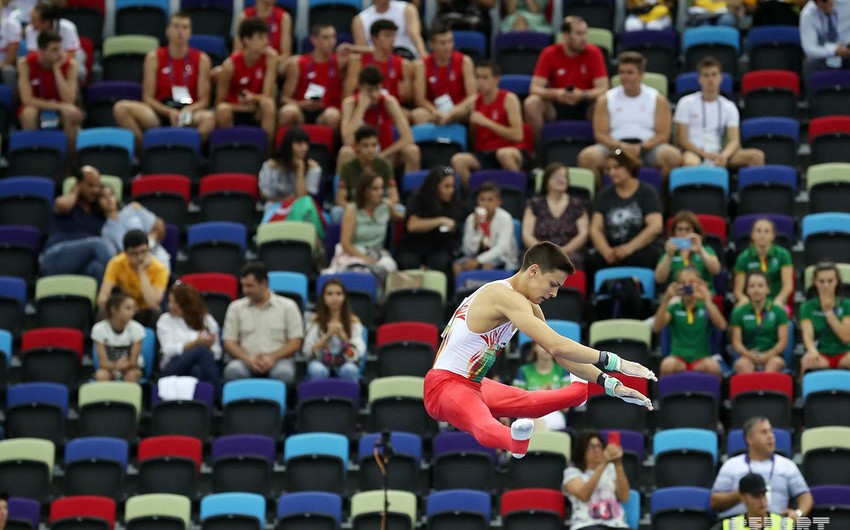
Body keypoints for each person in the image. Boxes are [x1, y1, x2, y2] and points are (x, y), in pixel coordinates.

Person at [424, 241, 655, 456]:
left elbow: (558, 352)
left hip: (474, 384)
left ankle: (573, 396)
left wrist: (610, 384)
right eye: (553, 284)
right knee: (483, 424)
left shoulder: (528, 306)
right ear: (533, 271)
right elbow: (557, 344)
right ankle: (515, 442)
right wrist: (616, 362)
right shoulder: (500, 295)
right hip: (444, 387)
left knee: (549, 400)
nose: (554, 294)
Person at [112, 12, 215, 154]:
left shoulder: (202, 59)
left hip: (187, 112)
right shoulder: (154, 57)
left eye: (185, 27)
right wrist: (168, 112)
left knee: (209, 118)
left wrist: (186, 111)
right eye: (176, 27)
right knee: (121, 108)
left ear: (190, 32)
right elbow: (147, 97)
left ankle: (188, 154)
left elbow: (204, 100)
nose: (180, 32)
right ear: (167, 30)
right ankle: (146, 154)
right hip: (160, 111)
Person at [578, 51, 682, 187]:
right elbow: (600, 135)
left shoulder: (657, 99)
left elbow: (663, 135)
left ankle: (659, 199)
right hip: (617, 150)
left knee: (671, 156)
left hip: (645, 150)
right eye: (621, 72)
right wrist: (621, 146)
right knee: (588, 157)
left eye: (629, 72)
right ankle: (601, 199)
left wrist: (642, 147)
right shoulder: (606, 99)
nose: (624, 77)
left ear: (640, 74)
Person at [524, 16, 609, 146]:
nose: (584, 38)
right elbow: (534, 88)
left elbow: (603, 88)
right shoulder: (549, 53)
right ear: (566, 35)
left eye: (585, 33)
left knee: (603, 101)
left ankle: (603, 150)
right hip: (558, 103)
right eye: (579, 34)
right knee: (532, 103)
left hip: (585, 103)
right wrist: (558, 93)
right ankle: (538, 154)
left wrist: (583, 95)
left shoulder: (594, 52)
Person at [711, 416, 813, 523]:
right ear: (749, 439)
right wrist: (742, 494)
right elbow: (715, 501)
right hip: (738, 523)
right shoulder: (731, 465)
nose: (770, 436)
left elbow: (805, 496)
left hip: (775, 523)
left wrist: (798, 514)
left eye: (771, 431)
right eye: (764, 432)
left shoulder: (787, 465)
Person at [586, 149, 664, 282]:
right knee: (591, 260)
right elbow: (595, 228)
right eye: (608, 169)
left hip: (639, 248)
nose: (611, 172)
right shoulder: (604, 195)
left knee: (646, 257)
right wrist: (606, 251)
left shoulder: (647, 192)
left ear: (629, 167)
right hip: (612, 250)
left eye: (616, 167)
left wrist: (630, 248)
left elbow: (655, 226)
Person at [675, 56, 764, 168]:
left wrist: (724, 156)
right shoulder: (686, 102)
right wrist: (704, 154)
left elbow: (734, 140)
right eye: (706, 75)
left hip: (718, 151)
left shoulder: (729, 106)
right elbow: (682, 140)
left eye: (714, 75)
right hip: (694, 151)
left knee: (757, 156)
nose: (710, 80)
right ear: (699, 79)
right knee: (691, 162)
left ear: (720, 78)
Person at [222, 262, 303, 385]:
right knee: (233, 371)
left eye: (249, 286)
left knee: (283, 373)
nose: (245, 290)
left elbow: (295, 342)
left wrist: (272, 358)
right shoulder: (235, 308)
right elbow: (229, 342)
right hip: (245, 359)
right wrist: (248, 359)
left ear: (264, 283)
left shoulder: (288, 306)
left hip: (279, 360)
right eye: (243, 286)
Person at [450, 61, 526, 186]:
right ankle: (474, 196)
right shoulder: (474, 101)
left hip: (511, 149)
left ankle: (519, 193)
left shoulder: (509, 99)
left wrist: (487, 122)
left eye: (485, 78)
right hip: (485, 152)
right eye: (477, 77)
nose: (480, 82)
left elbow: (518, 135)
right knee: (458, 160)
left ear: (496, 79)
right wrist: (440, 117)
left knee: (504, 155)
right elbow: (451, 114)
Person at [339, 65, 420, 174]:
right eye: (369, 90)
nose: (374, 95)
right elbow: (347, 140)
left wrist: (382, 156)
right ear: (360, 87)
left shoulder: (389, 102)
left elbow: (408, 137)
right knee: (345, 152)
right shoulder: (350, 104)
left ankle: (411, 190)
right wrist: (361, 109)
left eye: (377, 89)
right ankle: (343, 189)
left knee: (412, 151)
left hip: (386, 155)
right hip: (360, 157)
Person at [40, 165, 112, 281]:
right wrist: (75, 192)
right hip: (55, 257)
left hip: (80, 263)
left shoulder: (98, 213)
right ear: (79, 184)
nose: (95, 190)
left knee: (96, 269)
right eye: (90, 185)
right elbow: (63, 205)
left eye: (97, 186)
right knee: (97, 244)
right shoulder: (65, 203)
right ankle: (122, 279)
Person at [327, 171, 401, 281]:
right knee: (359, 272)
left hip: (377, 253)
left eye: (381, 188)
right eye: (375, 189)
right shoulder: (352, 210)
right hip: (353, 252)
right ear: (365, 191)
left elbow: (404, 218)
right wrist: (364, 258)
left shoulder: (386, 206)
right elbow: (346, 243)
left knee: (388, 269)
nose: (380, 192)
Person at [18, 30, 82, 155]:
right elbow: (26, 99)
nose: (60, 54)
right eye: (54, 50)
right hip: (38, 108)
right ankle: (33, 157)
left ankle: (69, 164)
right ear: (41, 51)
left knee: (72, 114)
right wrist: (60, 106)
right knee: (28, 114)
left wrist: (57, 70)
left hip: (60, 111)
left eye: (60, 49)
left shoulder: (71, 65)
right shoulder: (25, 63)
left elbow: (69, 100)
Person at [395, 165, 467, 277]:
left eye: (452, 186)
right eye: (446, 186)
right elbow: (412, 225)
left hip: (440, 247)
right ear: (435, 186)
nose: (451, 191)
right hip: (414, 246)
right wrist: (440, 220)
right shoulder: (418, 198)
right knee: (409, 262)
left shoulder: (455, 201)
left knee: (440, 263)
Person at [654, 267, 727, 377]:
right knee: (667, 365)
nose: (687, 286)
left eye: (691, 282)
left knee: (714, 367)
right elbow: (657, 327)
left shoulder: (706, 306)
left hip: (701, 358)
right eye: (683, 283)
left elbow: (722, 326)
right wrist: (666, 299)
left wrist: (707, 299)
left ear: (700, 284)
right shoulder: (674, 307)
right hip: (678, 358)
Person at [278, 23, 352, 131]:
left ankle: (330, 147)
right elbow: (284, 98)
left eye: (333, 37)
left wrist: (353, 47)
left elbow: (375, 53)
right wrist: (301, 104)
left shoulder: (340, 62)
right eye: (326, 37)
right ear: (314, 40)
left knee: (332, 116)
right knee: (288, 112)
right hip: (302, 110)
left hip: (326, 111)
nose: (331, 42)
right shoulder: (299, 63)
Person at [214, 18, 277, 144]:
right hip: (236, 109)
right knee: (222, 110)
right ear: (246, 40)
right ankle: (230, 150)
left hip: (256, 108)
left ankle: (266, 154)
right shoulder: (230, 65)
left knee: (269, 105)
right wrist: (243, 107)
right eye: (260, 38)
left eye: (266, 37)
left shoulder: (270, 58)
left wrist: (253, 98)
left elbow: (268, 95)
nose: (266, 42)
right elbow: (219, 102)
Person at [156, 281, 222, 395]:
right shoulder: (165, 320)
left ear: (187, 303)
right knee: (201, 351)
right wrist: (195, 344)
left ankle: (203, 406)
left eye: (176, 303)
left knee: (196, 370)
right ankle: (219, 398)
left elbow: (218, 353)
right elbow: (168, 350)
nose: (171, 306)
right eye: (170, 302)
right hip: (173, 365)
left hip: (201, 365)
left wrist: (210, 348)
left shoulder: (207, 319)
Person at [258, 126, 324, 238]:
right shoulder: (271, 166)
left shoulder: (314, 168)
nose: (304, 148)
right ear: (288, 146)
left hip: (301, 206)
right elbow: (264, 194)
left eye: (306, 144)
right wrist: (284, 201)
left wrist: (300, 169)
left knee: (307, 203)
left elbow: (302, 196)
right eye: (299, 144)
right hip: (276, 204)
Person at [522, 163, 589, 271]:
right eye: (557, 176)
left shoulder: (578, 204)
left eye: (565, 177)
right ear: (546, 180)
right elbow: (526, 234)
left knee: (573, 260)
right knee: (534, 261)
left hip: (569, 252)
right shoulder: (535, 204)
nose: (562, 179)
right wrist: (544, 251)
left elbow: (583, 234)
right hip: (541, 251)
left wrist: (564, 251)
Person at [97, 229, 169, 328]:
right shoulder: (116, 263)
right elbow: (102, 298)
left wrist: (142, 272)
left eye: (144, 251)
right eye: (134, 253)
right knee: (103, 311)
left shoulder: (160, 269)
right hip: (122, 311)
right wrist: (120, 309)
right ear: (126, 253)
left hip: (143, 311)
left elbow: (153, 303)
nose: (140, 257)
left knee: (155, 313)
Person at [562, 429, 631, 530]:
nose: (597, 450)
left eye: (599, 446)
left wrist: (618, 464)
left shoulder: (611, 469)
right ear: (582, 450)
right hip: (586, 524)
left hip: (616, 524)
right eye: (592, 447)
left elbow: (624, 497)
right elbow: (584, 495)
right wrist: (602, 464)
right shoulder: (572, 472)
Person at [410, 22, 476, 125]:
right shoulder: (421, 65)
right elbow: (420, 99)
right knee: (417, 114)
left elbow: (472, 96)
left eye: (450, 42)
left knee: (474, 112)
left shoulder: (465, 61)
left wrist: (451, 114)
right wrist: (436, 112)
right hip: (434, 112)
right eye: (443, 43)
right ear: (432, 45)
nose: (448, 47)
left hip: (459, 111)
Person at [303, 279, 366, 380]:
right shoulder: (315, 321)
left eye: (338, 294)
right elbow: (308, 352)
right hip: (320, 361)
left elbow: (357, 354)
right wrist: (327, 336)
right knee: (317, 371)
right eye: (329, 294)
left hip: (346, 361)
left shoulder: (353, 322)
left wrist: (345, 339)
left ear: (344, 297)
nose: (334, 298)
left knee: (350, 370)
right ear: (323, 297)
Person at [98, 185, 170, 271]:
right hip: (133, 266)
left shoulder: (133, 208)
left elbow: (158, 225)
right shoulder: (105, 231)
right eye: (103, 197)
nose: (109, 199)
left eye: (111, 194)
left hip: (155, 253)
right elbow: (115, 256)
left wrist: (150, 244)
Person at [454, 182, 519, 276]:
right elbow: (467, 250)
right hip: (475, 256)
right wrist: (475, 227)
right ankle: (465, 290)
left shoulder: (505, 218)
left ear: (498, 202)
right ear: (477, 201)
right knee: (457, 266)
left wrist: (478, 260)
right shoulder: (471, 219)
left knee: (487, 266)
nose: (485, 203)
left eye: (490, 200)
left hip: (500, 257)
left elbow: (501, 248)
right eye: (482, 199)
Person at [335, 124, 401, 218]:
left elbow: (394, 196)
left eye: (374, 145)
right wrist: (355, 210)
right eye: (365, 146)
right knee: (337, 212)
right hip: (355, 208)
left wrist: (383, 206)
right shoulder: (347, 167)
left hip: (379, 207)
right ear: (356, 147)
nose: (371, 150)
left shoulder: (385, 165)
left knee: (400, 209)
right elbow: (340, 199)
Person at [730, 271, 789, 374]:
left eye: (760, 286)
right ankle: (750, 390)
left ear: (768, 289)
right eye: (751, 286)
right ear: (747, 290)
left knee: (774, 365)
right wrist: (748, 354)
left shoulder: (779, 311)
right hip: (748, 355)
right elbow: (736, 342)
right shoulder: (738, 312)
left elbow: (783, 341)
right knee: (741, 365)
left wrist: (768, 355)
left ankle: (767, 390)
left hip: (773, 356)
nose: (756, 290)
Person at [346, 20, 412, 105]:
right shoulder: (359, 62)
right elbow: (348, 93)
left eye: (393, 35)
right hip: (364, 107)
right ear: (374, 38)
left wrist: (406, 94)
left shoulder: (403, 64)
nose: (392, 40)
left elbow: (410, 98)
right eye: (387, 35)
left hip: (392, 110)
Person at [800, 261, 850, 373]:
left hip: (845, 353)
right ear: (815, 283)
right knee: (807, 362)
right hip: (821, 353)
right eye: (821, 281)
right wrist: (812, 350)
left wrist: (828, 312)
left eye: (830, 281)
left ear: (836, 281)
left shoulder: (847, 305)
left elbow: (846, 337)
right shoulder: (807, 307)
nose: (826, 285)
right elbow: (808, 335)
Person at [733, 218, 793, 309]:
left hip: (775, 300)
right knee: (738, 309)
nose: (762, 234)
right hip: (752, 302)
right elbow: (738, 291)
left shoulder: (783, 255)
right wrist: (743, 299)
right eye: (758, 231)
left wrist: (779, 300)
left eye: (767, 231)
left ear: (773, 236)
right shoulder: (743, 258)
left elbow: (788, 286)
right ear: (752, 235)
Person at [513, 342, 573, 431]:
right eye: (542, 345)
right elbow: (518, 403)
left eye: (549, 344)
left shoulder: (563, 370)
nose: (547, 348)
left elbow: (565, 408)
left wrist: (548, 395)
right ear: (534, 348)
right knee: (527, 422)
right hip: (530, 413)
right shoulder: (523, 371)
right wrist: (542, 395)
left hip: (554, 414)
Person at [655, 210, 722, 288]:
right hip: (677, 293)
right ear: (674, 232)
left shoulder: (706, 250)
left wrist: (701, 250)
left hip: (702, 293)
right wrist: (669, 257)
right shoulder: (669, 252)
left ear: (695, 231)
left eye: (687, 229)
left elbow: (716, 271)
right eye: (680, 229)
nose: (683, 233)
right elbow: (659, 279)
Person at [91, 290, 145, 382]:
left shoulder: (137, 329)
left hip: (130, 368)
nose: (132, 312)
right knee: (101, 375)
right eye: (128, 308)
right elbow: (102, 363)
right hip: (109, 368)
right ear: (114, 310)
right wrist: (116, 366)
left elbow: (134, 362)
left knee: (132, 375)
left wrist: (125, 365)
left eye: (133, 309)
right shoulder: (99, 329)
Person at [713, 473, 795, 530]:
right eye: (756, 496)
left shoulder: (786, 525)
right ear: (743, 498)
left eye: (763, 494)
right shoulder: (728, 526)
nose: (762, 501)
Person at [352, 0, 426, 58]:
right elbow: (361, 51)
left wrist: (423, 56)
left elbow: (416, 36)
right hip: (378, 60)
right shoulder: (359, 20)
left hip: (408, 56)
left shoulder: (408, 9)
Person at [232, 0, 292, 71]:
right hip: (249, 63)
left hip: (274, 64)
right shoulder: (244, 16)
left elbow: (285, 55)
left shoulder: (284, 17)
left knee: (288, 66)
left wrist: (269, 62)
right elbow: (237, 52)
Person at [800, 0, 850, 76]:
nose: (827, 5)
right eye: (823, 2)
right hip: (829, 59)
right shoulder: (808, 14)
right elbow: (809, 49)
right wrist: (834, 50)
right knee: (810, 64)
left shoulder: (846, 3)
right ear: (815, 2)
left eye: (828, 1)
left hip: (848, 54)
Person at [0, 10, 21, 87]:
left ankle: (15, 97)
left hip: (5, 65)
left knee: (9, 71)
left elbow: (10, 59)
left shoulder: (12, 25)